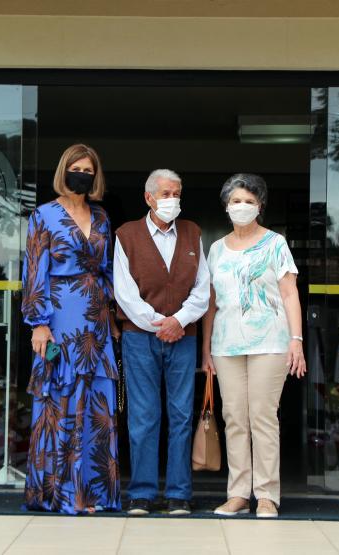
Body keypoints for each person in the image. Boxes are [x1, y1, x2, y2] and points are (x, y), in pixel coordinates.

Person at [21, 144, 121, 514]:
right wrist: (39, 323)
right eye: (76, 168)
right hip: (59, 316)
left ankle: (93, 494)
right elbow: (34, 270)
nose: (82, 174)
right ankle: (61, 493)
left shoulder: (102, 216)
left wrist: (112, 318)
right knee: (60, 401)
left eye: (88, 170)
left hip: (96, 319)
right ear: (64, 171)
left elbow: (107, 270)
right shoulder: (43, 215)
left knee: (96, 404)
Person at [202, 173, 306, 518]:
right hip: (226, 345)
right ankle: (237, 494)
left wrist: (296, 340)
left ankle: (266, 495)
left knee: (262, 416)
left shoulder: (275, 243)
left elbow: (289, 293)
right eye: (236, 201)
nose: (242, 206)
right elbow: (211, 303)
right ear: (226, 206)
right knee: (234, 418)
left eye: (249, 201)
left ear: (260, 206)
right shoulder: (216, 249)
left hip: (270, 343)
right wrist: (206, 348)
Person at [114, 169, 210, 516]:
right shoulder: (126, 235)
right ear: (149, 197)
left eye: (177, 194)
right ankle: (142, 493)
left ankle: (179, 494)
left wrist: (178, 321)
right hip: (140, 338)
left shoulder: (192, 232)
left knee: (181, 415)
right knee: (143, 415)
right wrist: (160, 324)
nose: (173, 200)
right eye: (166, 194)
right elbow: (124, 293)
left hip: (183, 337)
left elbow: (203, 289)